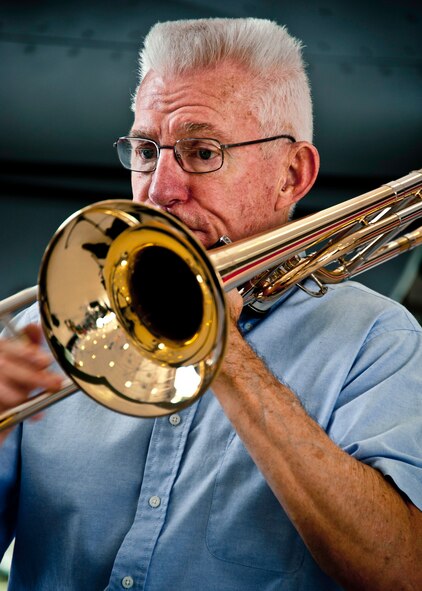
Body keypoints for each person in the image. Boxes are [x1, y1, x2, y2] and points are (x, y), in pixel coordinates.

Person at [0, 17, 421, 591]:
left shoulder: (377, 341)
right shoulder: (48, 326)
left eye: (201, 151)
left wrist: (225, 354)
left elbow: (402, 571)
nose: (159, 188)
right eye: (146, 150)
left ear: (292, 175)